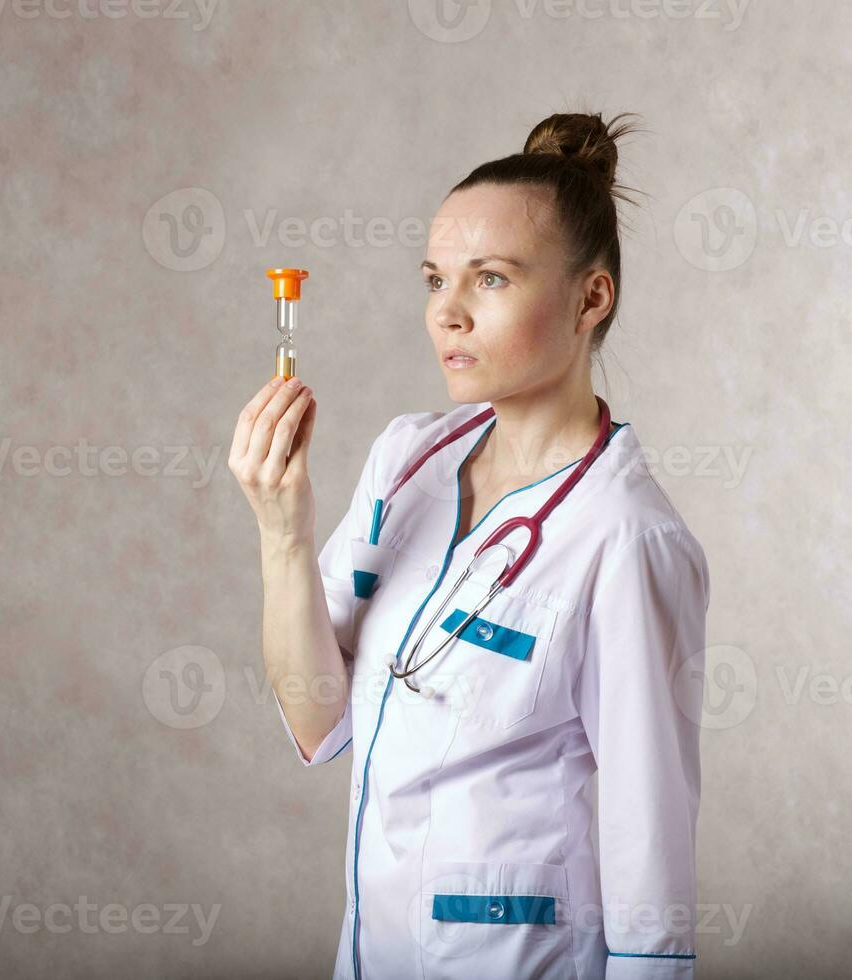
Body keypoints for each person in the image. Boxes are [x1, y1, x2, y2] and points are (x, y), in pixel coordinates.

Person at [229, 111, 710, 980]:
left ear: (590, 297)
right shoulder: (405, 458)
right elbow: (315, 716)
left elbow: (649, 835)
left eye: (488, 280)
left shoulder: (625, 534)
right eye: (433, 279)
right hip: (374, 953)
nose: (444, 314)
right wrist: (281, 529)